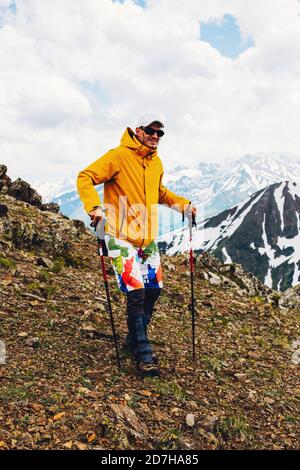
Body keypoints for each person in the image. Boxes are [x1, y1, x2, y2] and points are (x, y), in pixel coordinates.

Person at [77, 113, 196, 377]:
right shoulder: (118, 156)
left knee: (154, 290)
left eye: (159, 133)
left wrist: (183, 206)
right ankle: (143, 354)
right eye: (151, 131)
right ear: (137, 131)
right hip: (119, 235)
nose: (155, 137)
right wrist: (93, 207)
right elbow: (85, 177)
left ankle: (132, 339)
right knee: (136, 291)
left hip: (147, 238)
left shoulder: (156, 163)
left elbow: (159, 193)